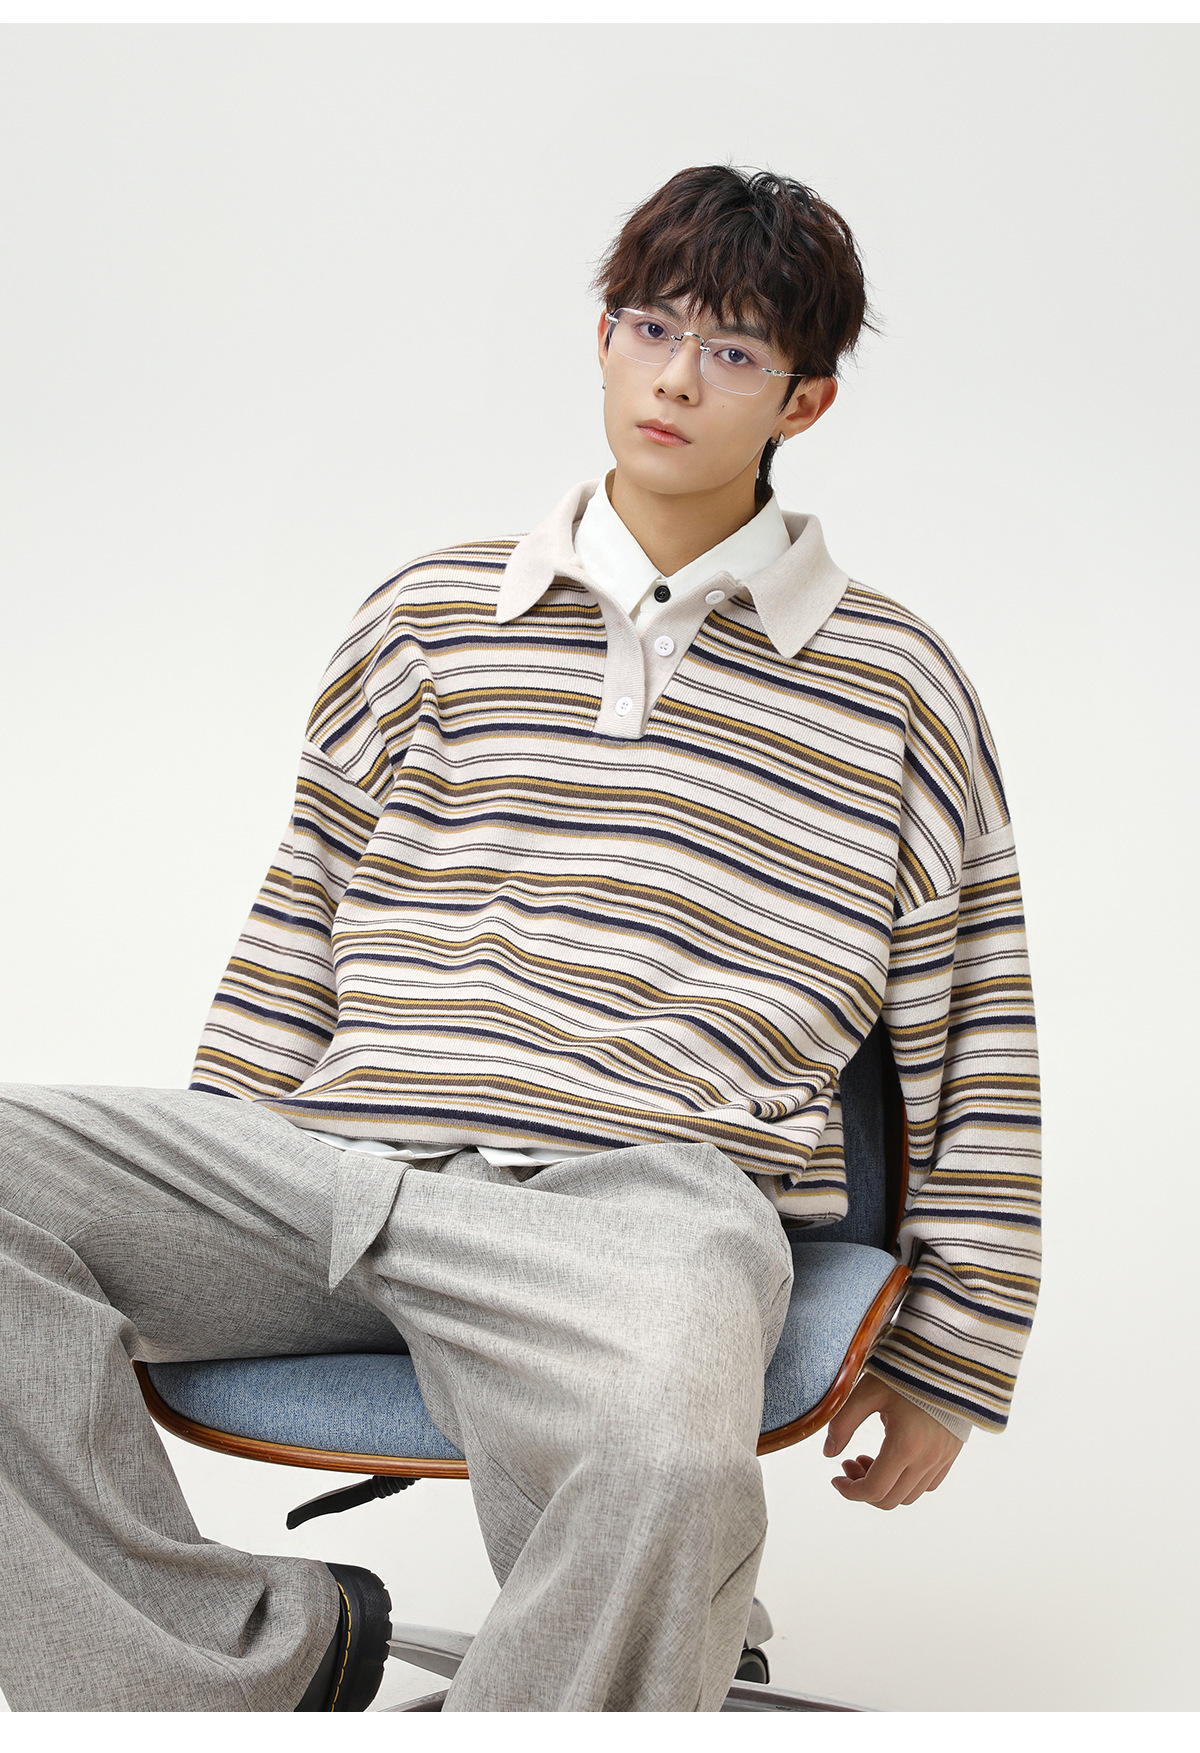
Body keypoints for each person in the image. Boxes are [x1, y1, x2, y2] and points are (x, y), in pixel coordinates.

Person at [0, 163, 1041, 1713]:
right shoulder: (426, 614)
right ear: (604, 335)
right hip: (342, 1167)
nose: (675, 379)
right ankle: (243, 1662)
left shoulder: (894, 681)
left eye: (734, 352)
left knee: (664, 1456)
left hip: (649, 1198)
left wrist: (957, 1352)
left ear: (805, 400)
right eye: (651, 327)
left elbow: (980, 1026)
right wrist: (220, 1168)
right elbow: (298, 923)